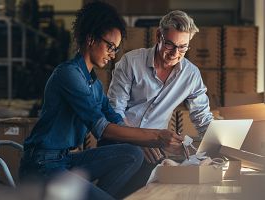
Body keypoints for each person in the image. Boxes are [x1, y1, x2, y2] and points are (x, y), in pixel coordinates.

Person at [19, 2, 183, 200]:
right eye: (110, 46)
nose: (113, 55)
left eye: (115, 49)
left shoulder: (92, 83)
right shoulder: (69, 75)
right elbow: (102, 128)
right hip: (42, 165)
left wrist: (147, 142)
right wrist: (157, 136)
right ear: (91, 39)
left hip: (65, 160)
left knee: (133, 154)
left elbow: (114, 118)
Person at [105, 10, 214, 197]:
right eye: (170, 45)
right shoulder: (131, 63)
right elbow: (114, 111)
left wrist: (219, 146)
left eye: (183, 47)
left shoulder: (191, 75)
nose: (175, 53)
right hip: (118, 142)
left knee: (154, 193)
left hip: (155, 149)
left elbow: (202, 118)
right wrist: (139, 140)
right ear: (158, 36)